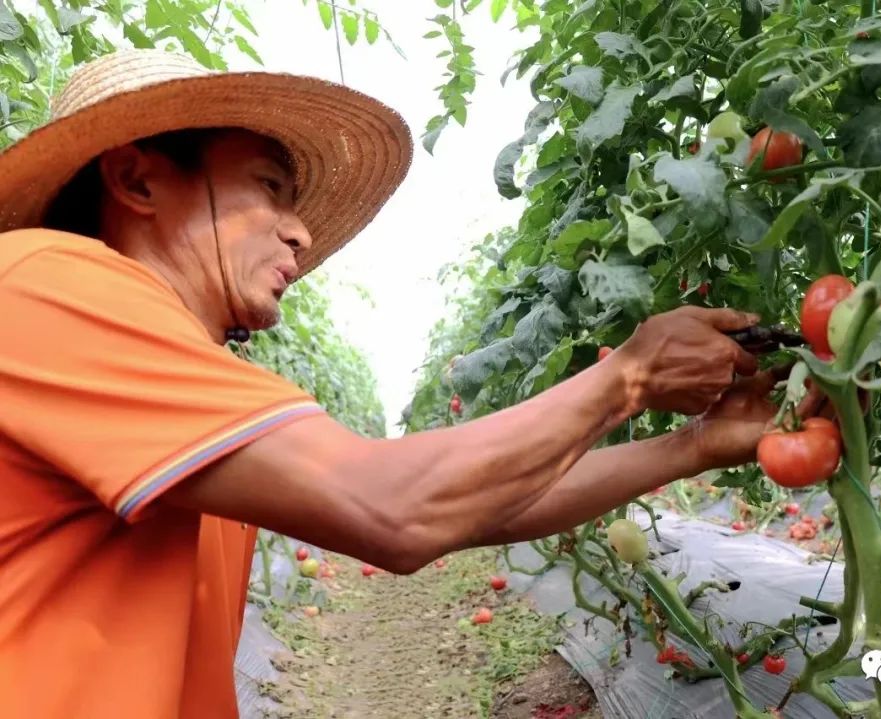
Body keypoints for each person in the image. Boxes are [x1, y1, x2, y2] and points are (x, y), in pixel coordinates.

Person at [0, 50, 814, 718]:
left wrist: (696, 443)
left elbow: (476, 505)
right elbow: (394, 509)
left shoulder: (178, 382)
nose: (302, 230)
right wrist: (626, 379)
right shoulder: (45, 286)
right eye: (267, 186)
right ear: (137, 181)